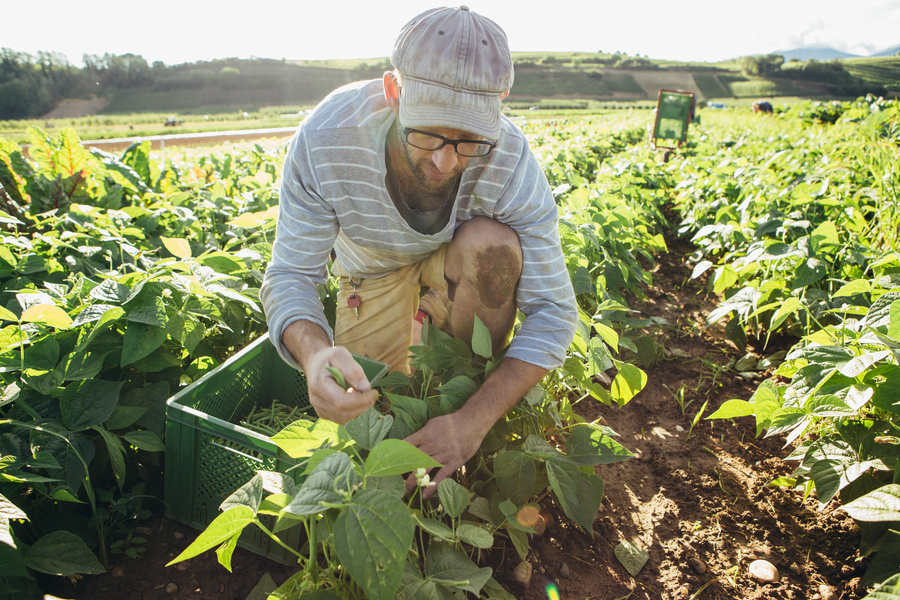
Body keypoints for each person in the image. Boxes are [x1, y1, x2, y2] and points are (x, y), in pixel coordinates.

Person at [260, 6, 578, 497]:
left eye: (470, 139)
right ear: (393, 93)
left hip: (455, 259)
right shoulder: (326, 141)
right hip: (371, 272)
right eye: (428, 132)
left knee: (492, 250)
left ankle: (463, 399)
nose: (446, 160)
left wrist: (472, 419)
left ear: (500, 109)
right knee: (376, 426)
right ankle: (422, 362)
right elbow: (291, 275)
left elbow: (554, 312)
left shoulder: (509, 161)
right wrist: (314, 354)